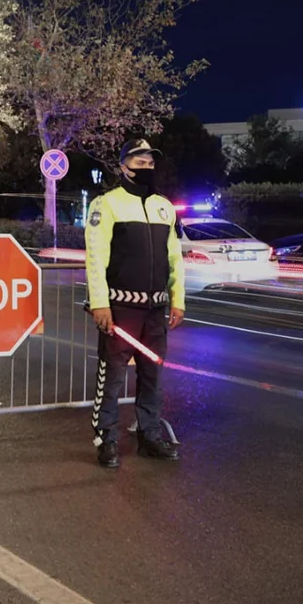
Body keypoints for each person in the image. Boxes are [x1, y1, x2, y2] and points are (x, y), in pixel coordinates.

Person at [84, 138, 186, 469]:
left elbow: (175, 258)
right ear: (123, 167)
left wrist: (177, 300)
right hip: (121, 310)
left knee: (152, 377)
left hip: (156, 311)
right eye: (140, 163)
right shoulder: (106, 204)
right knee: (111, 377)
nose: (146, 168)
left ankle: (149, 436)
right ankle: (106, 439)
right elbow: (96, 258)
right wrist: (100, 303)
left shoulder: (164, 207)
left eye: (150, 164)